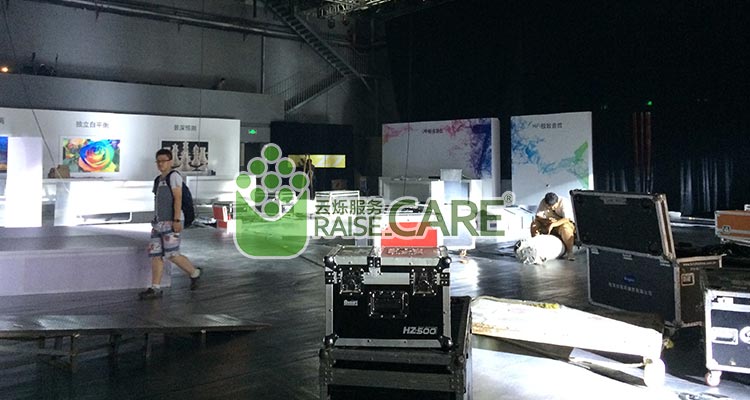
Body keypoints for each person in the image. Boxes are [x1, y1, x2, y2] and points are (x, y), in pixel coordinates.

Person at [139, 149, 202, 299]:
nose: (161, 164)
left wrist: (177, 220)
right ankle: (155, 287)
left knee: (172, 254)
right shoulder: (158, 179)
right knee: (156, 255)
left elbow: (178, 198)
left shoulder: (174, 177)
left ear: (170, 162)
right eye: (158, 161)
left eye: (164, 161)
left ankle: (194, 273)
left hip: (171, 222)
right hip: (158, 223)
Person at [530, 192, 576, 261]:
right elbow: (538, 217)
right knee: (534, 224)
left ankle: (570, 252)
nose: (550, 208)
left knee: (566, 228)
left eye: (553, 206)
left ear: (557, 202)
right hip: (549, 222)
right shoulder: (543, 202)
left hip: (563, 223)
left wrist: (553, 224)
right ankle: (535, 247)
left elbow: (567, 219)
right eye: (548, 206)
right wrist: (547, 221)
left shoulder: (564, 202)